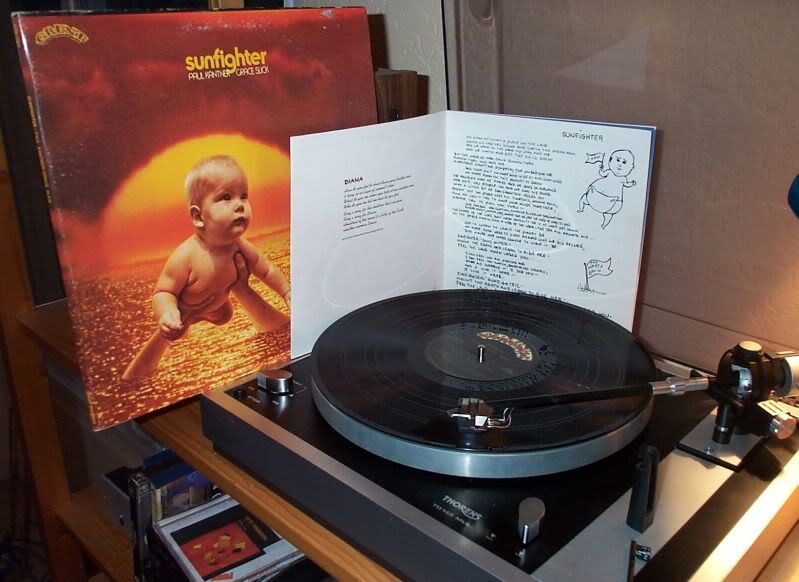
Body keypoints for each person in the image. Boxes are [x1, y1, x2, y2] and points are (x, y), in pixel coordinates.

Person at [122, 155, 290, 380]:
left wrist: (286, 292)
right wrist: (168, 313)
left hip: (219, 309)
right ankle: (189, 319)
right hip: (188, 308)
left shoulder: (239, 246)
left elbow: (266, 270)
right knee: (178, 329)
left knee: (225, 315)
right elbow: (163, 292)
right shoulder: (187, 255)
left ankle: (201, 316)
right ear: (198, 216)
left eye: (243, 195)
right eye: (226, 197)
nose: (240, 205)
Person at [577, 149, 636, 229]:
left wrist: (632, 183)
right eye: (617, 160)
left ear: (631, 167)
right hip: (594, 194)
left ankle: (604, 224)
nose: (620, 164)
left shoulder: (623, 178)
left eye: (624, 162)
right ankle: (581, 209)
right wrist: (601, 168)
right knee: (584, 199)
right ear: (610, 161)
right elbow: (602, 173)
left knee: (608, 214)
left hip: (612, 202)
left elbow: (627, 184)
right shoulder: (609, 172)